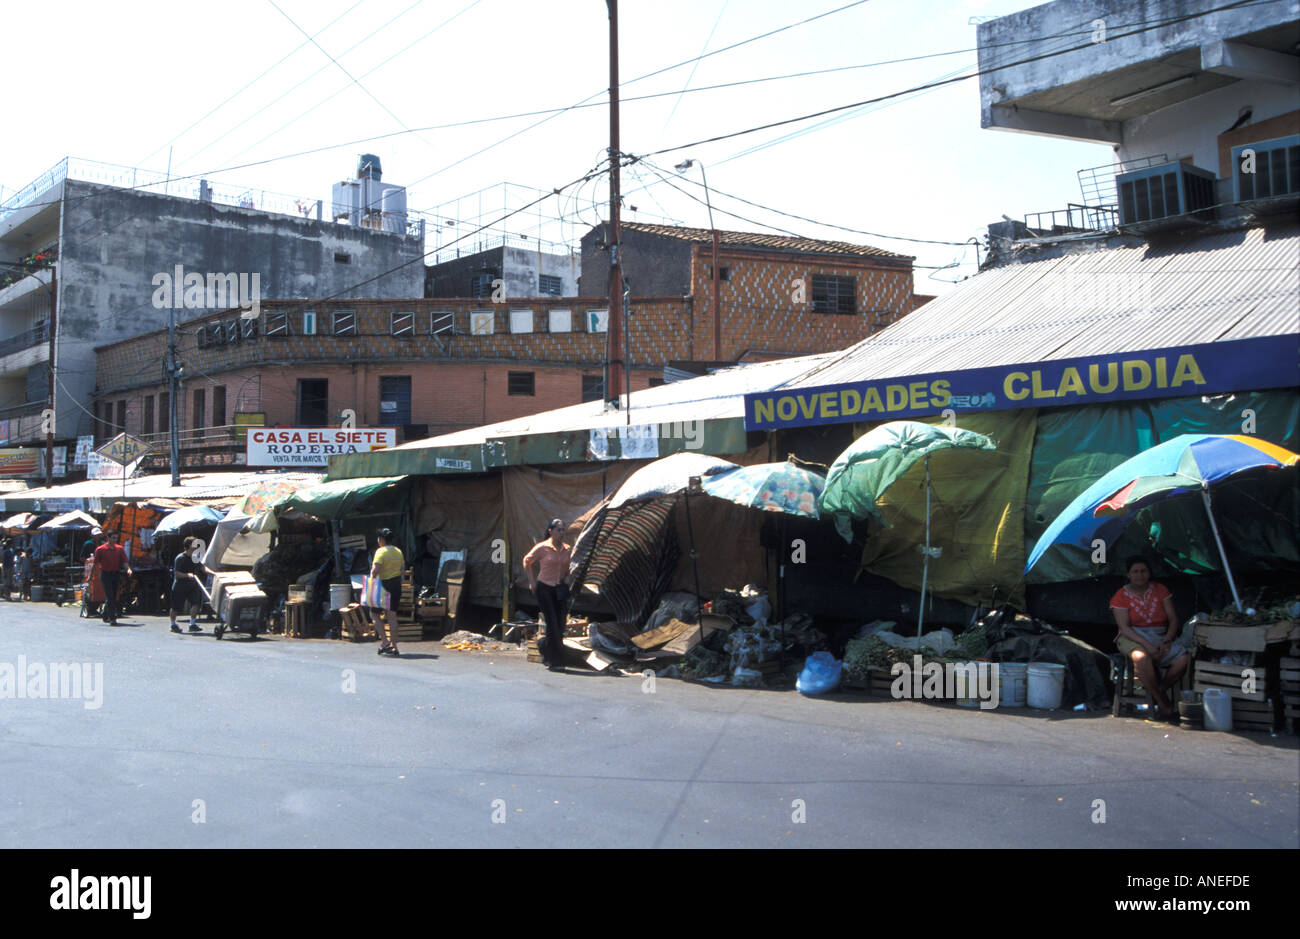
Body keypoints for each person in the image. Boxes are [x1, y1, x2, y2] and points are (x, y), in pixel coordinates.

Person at [1111, 555, 1192, 722]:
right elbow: (1125, 628)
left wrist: (1167, 640)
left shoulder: (1160, 590)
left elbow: (1173, 619)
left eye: (1143, 571)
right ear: (1128, 575)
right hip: (1132, 637)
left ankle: (1159, 691)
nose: (1139, 575)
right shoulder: (1120, 596)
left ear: (1149, 573)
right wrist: (1147, 645)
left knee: (1184, 659)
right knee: (1140, 657)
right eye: (1135, 571)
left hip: (1160, 636)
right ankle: (1163, 703)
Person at [522, 519, 572, 672]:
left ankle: (543, 645)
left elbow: (572, 566)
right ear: (550, 531)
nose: (561, 533)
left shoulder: (567, 549)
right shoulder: (543, 547)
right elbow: (526, 561)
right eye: (558, 530)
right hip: (544, 588)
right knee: (551, 623)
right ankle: (555, 661)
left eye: (563, 530)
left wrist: (568, 578)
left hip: (560, 588)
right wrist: (532, 582)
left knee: (560, 623)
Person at [368, 529, 405, 657]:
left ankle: (384, 642)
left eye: (378, 538)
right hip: (396, 585)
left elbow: (375, 571)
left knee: (374, 614)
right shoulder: (398, 551)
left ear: (382, 539)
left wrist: (371, 580)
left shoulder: (380, 551)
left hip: (383, 585)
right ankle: (394, 647)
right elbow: (402, 570)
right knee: (392, 616)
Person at [93, 531, 134, 625]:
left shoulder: (119, 549)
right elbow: (95, 563)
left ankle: (105, 613)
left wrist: (128, 569)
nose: (115, 540)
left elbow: (124, 561)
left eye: (116, 538)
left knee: (113, 596)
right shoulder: (100, 549)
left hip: (115, 574)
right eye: (113, 538)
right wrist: (94, 575)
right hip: (105, 574)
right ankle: (112, 618)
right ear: (108, 538)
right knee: (110, 596)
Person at [170, 537, 208, 634]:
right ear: (189, 546)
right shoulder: (180, 558)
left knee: (196, 604)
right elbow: (176, 574)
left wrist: (214, 573)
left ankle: (192, 624)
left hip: (192, 585)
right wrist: (187, 575)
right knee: (176, 607)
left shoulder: (195, 558)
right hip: (180, 586)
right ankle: (173, 624)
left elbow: (203, 568)